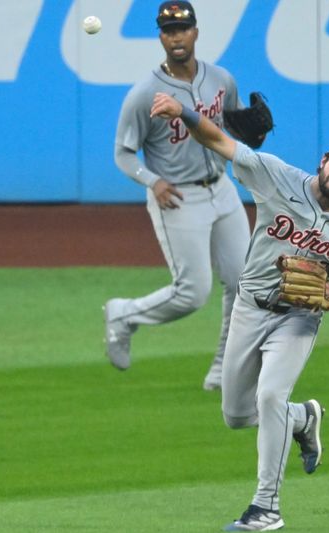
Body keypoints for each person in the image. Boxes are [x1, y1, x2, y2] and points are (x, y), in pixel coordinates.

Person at [150, 93, 329, 531]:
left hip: (298, 319)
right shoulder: (276, 176)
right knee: (237, 414)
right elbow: (219, 141)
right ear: (323, 159)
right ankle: (302, 417)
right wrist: (184, 112)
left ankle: (266, 507)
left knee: (270, 395)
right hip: (249, 309)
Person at [104, 1, 257, 391]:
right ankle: (125, 315)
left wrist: (253, 132)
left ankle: (224, 369)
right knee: (192, 293)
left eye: (182, 29)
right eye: (168, 30)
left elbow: (234, 129)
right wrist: (151, 181)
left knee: (244, 282)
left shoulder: (221, 79)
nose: (176, 37)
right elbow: (123, 153)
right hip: (177, 197)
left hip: (222, 191)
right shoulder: (144, 94)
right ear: (160, 37)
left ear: (195, 33)